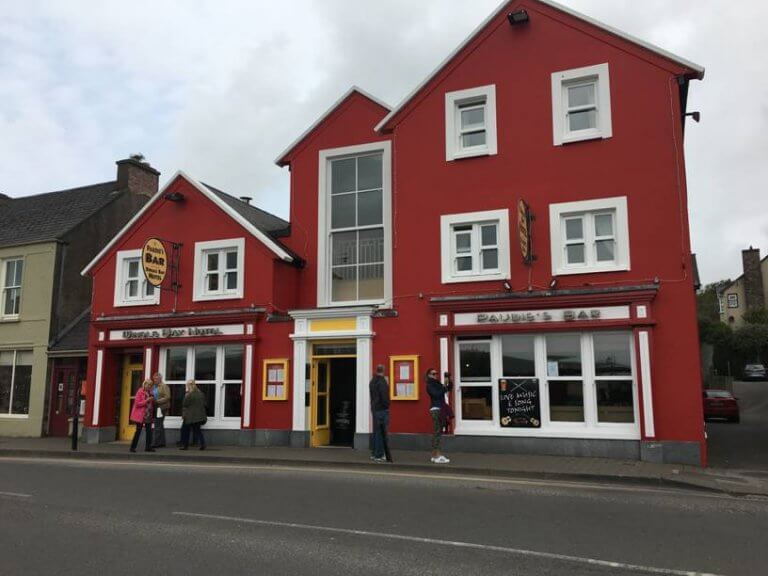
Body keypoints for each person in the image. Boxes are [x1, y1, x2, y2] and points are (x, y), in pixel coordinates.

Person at [426, 368, 451, 464]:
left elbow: (446, 389)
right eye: (433, 374)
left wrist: (448, 381)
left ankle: (434, 455)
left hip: (440, 407)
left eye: (436, 373)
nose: (435, 375)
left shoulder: (437, 383)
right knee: (437, 432)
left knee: (438, 432)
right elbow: (436, 394)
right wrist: (444, 387)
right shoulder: (429, 385)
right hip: (436, 409)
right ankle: (437, 456)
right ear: (429, 375)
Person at [369, 364, 391, 463]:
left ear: (376, 370)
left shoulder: (372, 381)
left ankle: (374, 454)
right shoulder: (382, 382)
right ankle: (379, 455)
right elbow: (384, 396)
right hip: (382, 409)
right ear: (383, 370)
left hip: (374, 408)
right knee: (381, 433)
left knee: (376, 432)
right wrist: (387, 405)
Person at [180, 380, 207, 450]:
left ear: (189, 386)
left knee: (185, 430)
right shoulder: (201, 394)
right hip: (199, 416)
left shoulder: (189, 394)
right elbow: (205, 404)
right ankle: (202, 444)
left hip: (190, 416)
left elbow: (185, 404)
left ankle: (185, 445)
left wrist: (186, 396)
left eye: (187, 385)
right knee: (198, 430)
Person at [129, 379, 155, 453]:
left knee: (149, 431)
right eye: (148, 384)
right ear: (144, 384)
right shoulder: (140, 391)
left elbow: (152, 403)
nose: (149, 386)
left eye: (150, 385)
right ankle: (133, 447)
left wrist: (152, 400)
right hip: (140, 415)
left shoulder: (151, 393)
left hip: (148, 414)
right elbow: (137, 403)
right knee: (138, 431)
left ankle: (148, 447)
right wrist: (147, 400)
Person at [151, 372, 171, 448]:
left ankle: (156, 443)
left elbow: (167, 397)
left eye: (156, 379)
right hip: (155, 407)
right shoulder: (153, 387)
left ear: (160, 379)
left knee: (157, 425)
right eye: (154, 379)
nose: (155, 380)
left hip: (161, 408)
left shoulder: (164, 386)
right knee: (160, 425)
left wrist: (158, 401)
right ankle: (162, 442)